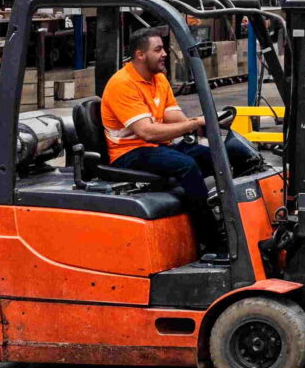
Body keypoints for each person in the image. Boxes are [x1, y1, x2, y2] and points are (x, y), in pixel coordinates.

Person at [101, 27, 263, 261]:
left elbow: (173, 117)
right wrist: (192, 125)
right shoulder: (123, 84)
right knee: (186, 165)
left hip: (155, 147)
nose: (165, 53)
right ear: (140, 55)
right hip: (129, 152)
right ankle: (211, 241)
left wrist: (204, 123)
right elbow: (146, 132)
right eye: (158, 50)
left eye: (163, 48)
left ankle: (224, 214)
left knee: (219, 157)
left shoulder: (158, 79)